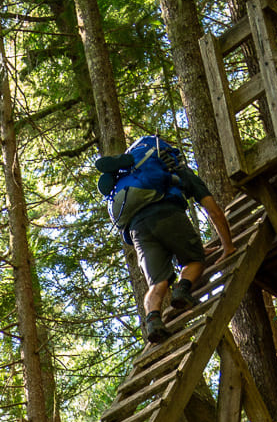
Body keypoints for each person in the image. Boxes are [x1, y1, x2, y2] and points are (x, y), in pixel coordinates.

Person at [97, 134, 236, 343]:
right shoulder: (177, 172)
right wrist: (228, 247)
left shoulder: (128, 180)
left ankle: (153, 320)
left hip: (136, 229)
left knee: (157, 283)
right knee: (195, 260)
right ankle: (182, 290)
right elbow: (214, 211)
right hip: (166, 212)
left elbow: (161, 242)